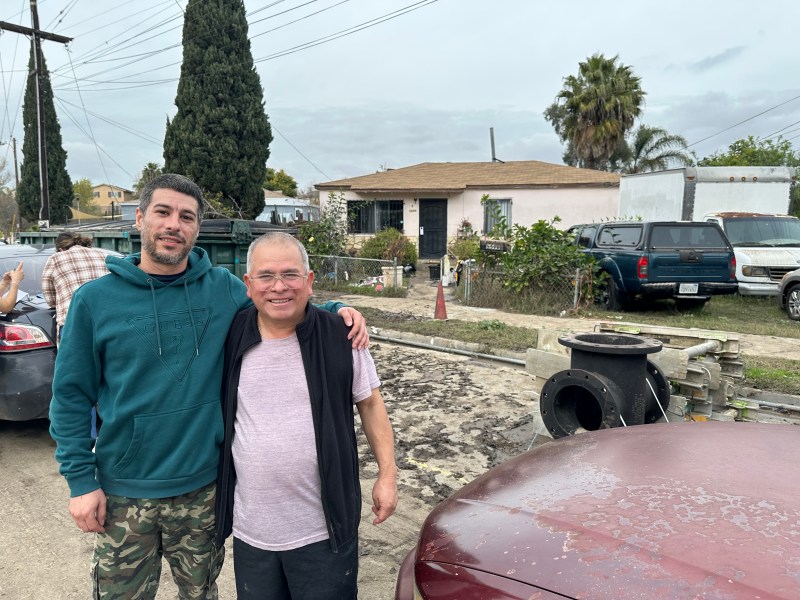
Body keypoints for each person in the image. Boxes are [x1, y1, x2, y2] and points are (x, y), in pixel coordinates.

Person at [49, 174, 368, 600]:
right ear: (141, 217)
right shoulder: (95, 301)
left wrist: (336, 311)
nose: (173, 225)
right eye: (163, 212)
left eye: (186, 217)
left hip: (204, 492)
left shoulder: (222, 289)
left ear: (196, 229)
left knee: (201, 595)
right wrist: (80, 482)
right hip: (125, 493)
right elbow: (70, 397)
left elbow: (277, 305)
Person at [215, 232, 397, 599]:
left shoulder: (340, 337)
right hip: (253, 535)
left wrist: (388, 476)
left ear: (310, 282)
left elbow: (371, 404)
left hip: (324, 533)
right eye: (265, 276)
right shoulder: (230, 335)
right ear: (248, 285)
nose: (279, 287)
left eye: (291, 275)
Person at [42, 232, 110, 346]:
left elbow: (50, 298)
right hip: (106, 319)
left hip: (73, 321)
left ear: (60, 249)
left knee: (74, 363)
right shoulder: (103, 255)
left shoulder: (55, 259)